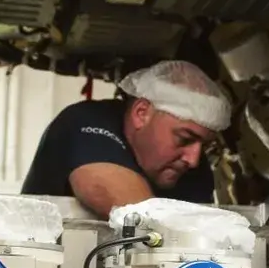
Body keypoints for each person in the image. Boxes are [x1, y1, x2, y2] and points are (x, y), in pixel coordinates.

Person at [20, 60, 232, 219]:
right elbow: (140, 215)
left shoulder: (192, 166)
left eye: (204, 145)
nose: (194, 159)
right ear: (142, 113)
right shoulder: (85, 122)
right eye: (185, 139)